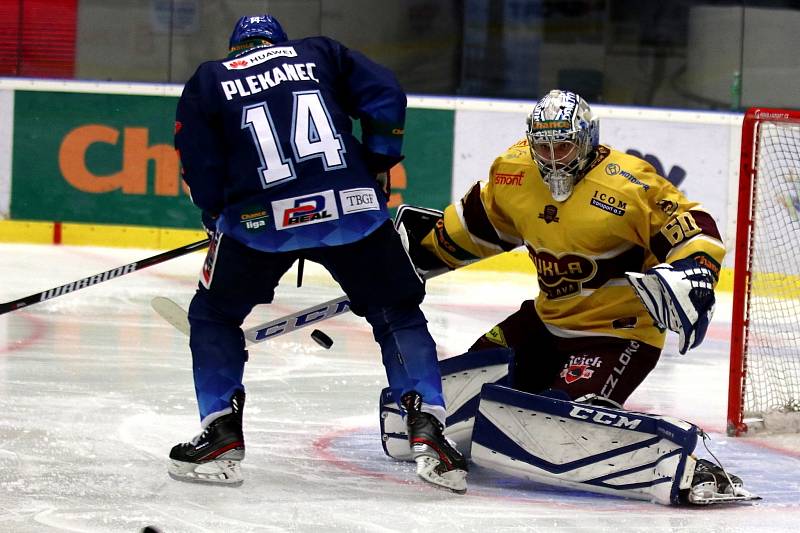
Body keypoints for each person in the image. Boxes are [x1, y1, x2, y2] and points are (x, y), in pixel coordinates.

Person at [390, 89, 755, 505]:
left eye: (562, 145)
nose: (552, 157)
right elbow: (480, 223)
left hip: (617, 334)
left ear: (586, 140)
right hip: (544, 322)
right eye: (542, 145)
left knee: (558, 414)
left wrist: (697, 269)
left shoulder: (629, 184)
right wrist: (419, 253)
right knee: (470, 382)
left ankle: (682, 468)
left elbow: (693, 229)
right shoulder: (514, 171)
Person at [169, 14, 466, 493]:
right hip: (351, 209)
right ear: (279, 42)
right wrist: (377, 162)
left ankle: (220, 431)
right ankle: (428, 427)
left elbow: (200, 163)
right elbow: (386, 95)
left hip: (260, 222)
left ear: (235, 49)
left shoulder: (210, 79)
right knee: (397, 313)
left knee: (214, 315)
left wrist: (216, 217)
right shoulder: (319, 53)